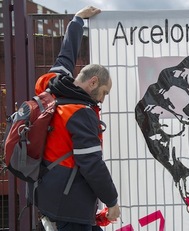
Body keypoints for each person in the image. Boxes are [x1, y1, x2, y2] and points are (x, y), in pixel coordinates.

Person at [30, 6, 121, 230]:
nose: (103, 99)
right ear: (93, 83)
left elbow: (66, 55)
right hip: (69, 205)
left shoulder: (54, 88)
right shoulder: (81, 114)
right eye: (104, 92)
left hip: (47, 193)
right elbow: (91, 164)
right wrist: (112, 202)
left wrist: (78, 20)